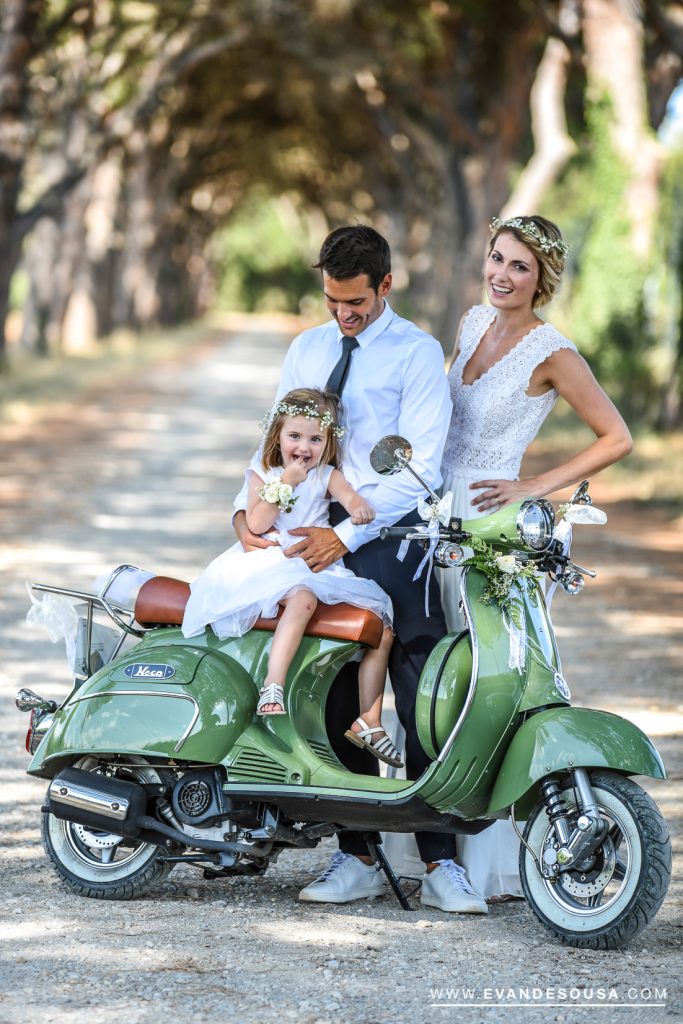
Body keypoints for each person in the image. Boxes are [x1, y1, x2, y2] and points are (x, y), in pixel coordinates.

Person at [232, 225, 488, 913]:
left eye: (356, 303)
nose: (343, 315)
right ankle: (355, 854)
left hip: (391, 537)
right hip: (302, 538)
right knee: (330, 688)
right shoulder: (305, 349)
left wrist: (340, 533)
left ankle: (440, 862)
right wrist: (244, 513)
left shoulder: (414, 353)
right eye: (331, 301)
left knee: (420, 686)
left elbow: (421, 470)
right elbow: (277, 442)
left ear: (385, 286)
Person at [441, 213, 633, 899]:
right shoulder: (470, 324)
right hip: (441, 512)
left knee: (489, 679)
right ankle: (426, 852)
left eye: (518, 266)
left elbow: (615, 436)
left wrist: (532, 485)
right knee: (434, 675)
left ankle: (488, 860)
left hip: (496, 523)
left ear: (540, 277)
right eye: (496, 258)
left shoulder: (550, 351)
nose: (501, 274)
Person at [182, 387, 400, 765]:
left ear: (328, 442)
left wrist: (359, 507)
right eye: (295, 436)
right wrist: (287, 481)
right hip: (271, 560)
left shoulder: (327, 474)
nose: (304, 447)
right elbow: (257, 522)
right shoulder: (263, 471)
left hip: (314, 562)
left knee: (382, 625)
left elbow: (348, 495)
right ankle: (273, 685)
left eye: (315, 439)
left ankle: (370, 719)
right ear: (277, 436)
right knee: (302, 599)